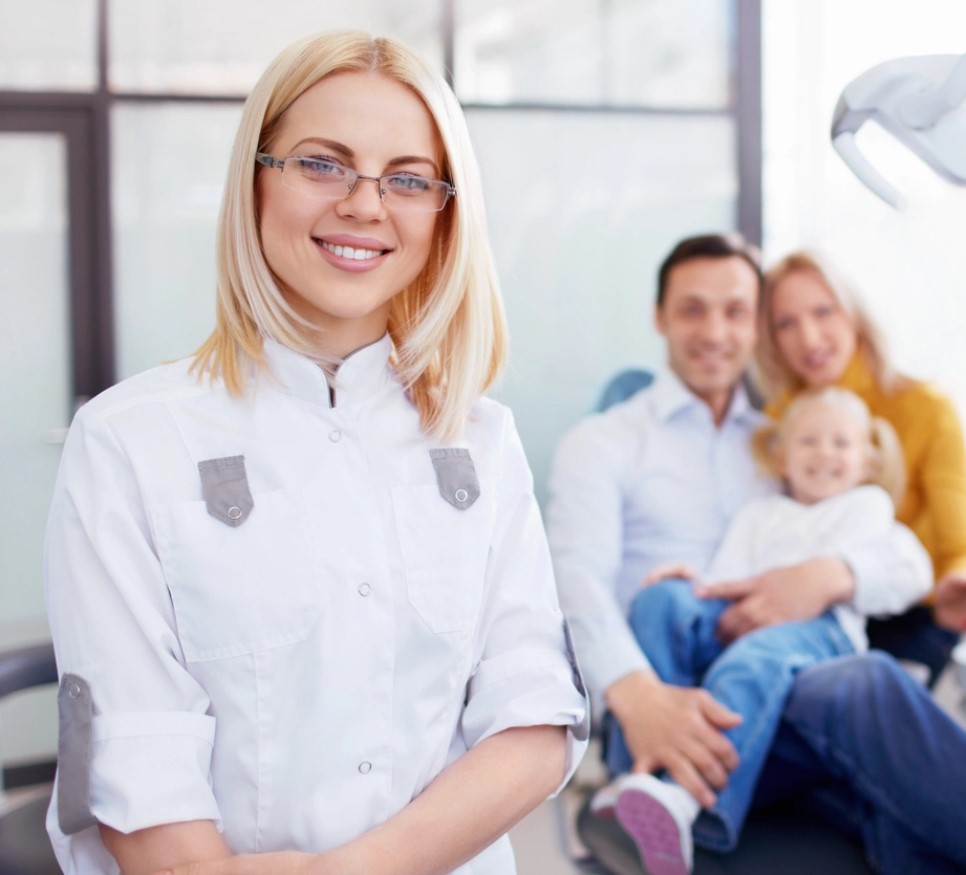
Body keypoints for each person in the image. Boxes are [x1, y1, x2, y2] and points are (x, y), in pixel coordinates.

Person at [43, 32, 587, 875]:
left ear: (444, 212)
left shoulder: (480, 439)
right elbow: (140, 775)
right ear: (255, 179)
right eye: (321, 163)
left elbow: (536, 723)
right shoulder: (129, 441)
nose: (366, 205)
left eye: (408, 178)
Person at [548, 233, 966, 874]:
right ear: (660, 318)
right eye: (693, 309)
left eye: (735, 312)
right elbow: (576, 581)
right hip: (660, 694)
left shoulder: (787, 444)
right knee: (845, 697)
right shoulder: (602, 443)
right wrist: (636, 693)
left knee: (867, 702)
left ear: (755, 326)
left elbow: (882, 546)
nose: (715, 331)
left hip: (782, 692)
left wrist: (832, 574)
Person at [599, 386, 927, 873]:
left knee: (752, 659)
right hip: (742, 616)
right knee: (660, 602)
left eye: (841, 444)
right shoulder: (760, 514)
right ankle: (636, 775)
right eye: (809, 442)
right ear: (783, 458)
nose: (824, 454)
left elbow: (893, 578)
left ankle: (688, 800)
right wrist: (691, 585)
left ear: (867, 462)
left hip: (821, 631)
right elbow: (724, 580)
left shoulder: (867, 507)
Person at [756, 250, 966, 685]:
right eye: (785, 323)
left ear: (854, 315)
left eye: (823, 312)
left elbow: (960, 549)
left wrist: (961, 586)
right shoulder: (777, 422)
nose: (808, 338)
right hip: (815, 610)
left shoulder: (927, 409)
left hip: (908, 614)